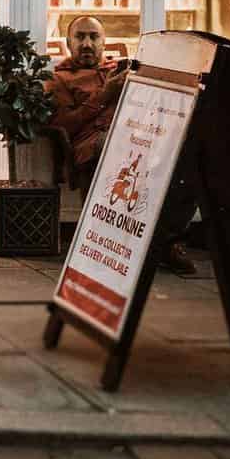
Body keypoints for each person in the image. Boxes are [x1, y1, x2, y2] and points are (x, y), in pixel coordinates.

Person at [49, 16, 195, 275]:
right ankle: (111, 244)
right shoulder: (60, 79)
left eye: (94, 37)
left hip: (137, 138)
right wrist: (106, 94)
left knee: (188, 157)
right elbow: (65, 124)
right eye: (80, 37)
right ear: (69, 43)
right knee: (114, 146)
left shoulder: (121, 69)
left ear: (104, 42)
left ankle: (168, 241)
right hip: (94, 142)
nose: (87, 43)